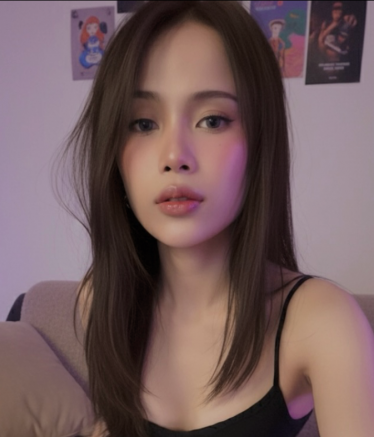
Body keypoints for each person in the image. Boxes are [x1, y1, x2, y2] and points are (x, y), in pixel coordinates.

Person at [61, 2, 374, 436]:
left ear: (260, 142)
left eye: (212, 120)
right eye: (143, 124)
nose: (175, 156)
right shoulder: (100, 298)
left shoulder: (323, 322)